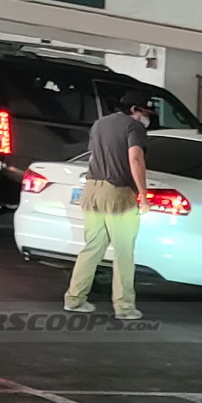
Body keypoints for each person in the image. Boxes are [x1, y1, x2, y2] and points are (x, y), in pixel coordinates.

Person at [63, 94, 153, 321]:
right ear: (134, 109)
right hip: (117, 194)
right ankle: (124, 307)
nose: (146, 118)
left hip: (92, 191)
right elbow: (135, 159)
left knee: (92, 248)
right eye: (145, 112)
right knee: (123, 252)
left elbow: (94, 155)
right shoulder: (133, 127)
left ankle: (74, 299)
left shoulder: (99, 124)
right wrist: (143, 195)